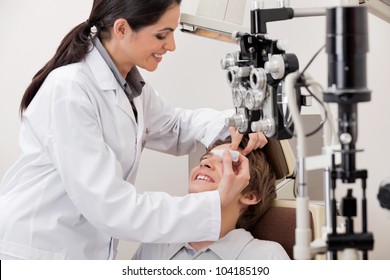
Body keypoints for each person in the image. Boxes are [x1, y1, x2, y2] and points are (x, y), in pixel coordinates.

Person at [0, 0, 268, 260]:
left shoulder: (131, 89)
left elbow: (175, 126)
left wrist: (235, 123)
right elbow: (111, 207)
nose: (171, 46)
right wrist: (213, 204)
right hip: (37, 252)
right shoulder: (69, 91)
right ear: (121, 29)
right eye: (162, 35)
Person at [132, 136, 290, 260]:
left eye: (229, 163)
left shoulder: (267, 257)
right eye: (205, 158)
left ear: (250, 195)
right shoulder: (155, 245)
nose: (205, 163)